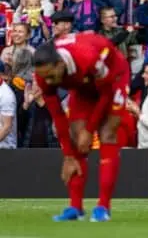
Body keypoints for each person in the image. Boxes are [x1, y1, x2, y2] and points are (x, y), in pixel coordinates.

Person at [32, 33, 131, 223]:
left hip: (113, 77)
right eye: (46, 78)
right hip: (82, 86)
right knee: (76, 140)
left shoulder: (87, 58)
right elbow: (58, 115)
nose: (50, 82)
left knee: (107, 133)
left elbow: (105, 93)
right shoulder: (43, 74)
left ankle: (103, 207)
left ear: (61, 64)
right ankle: (75, 207)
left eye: (53, 76)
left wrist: (90, 128)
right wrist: (68, 154)